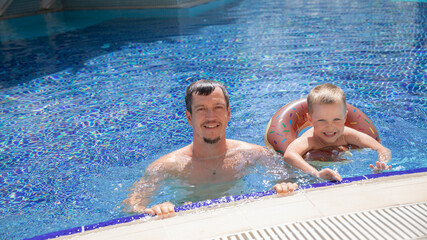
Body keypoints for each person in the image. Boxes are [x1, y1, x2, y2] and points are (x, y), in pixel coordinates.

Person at [123, 80, 298, 219]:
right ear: (189, 118)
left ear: (228, 113)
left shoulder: (254, 154)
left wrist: (284, 186)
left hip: (242, 220)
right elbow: (132, 205)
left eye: (217, 108)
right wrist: (153, 210)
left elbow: (290, 178)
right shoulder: (167, 166)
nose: (210, 117)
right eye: (201, 109)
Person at [282, 83, 392, 181]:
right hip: (315, 167)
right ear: (310, 120)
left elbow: (381, 149)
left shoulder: (347, 134)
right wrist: (316, 173)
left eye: (336, 119)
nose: (330, 127)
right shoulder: (310, 139)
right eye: (321, 120)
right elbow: (289, 155)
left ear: (345, 118)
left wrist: (383, 164)